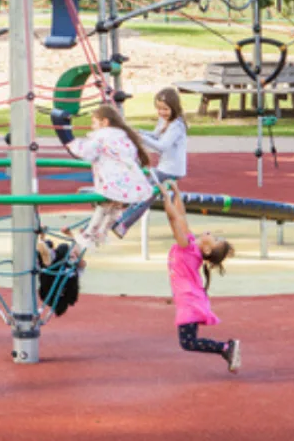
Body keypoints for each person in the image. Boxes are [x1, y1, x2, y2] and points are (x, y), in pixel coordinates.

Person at [161, 185, 240, 372]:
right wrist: (176, 195)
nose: (213, 234)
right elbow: (181, 216)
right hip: (190, 297)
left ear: (207, 249)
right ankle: (226, 349)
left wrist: (165, 198)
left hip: (189, 299)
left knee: (188, 342)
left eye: (216, 239)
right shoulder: (190, 245)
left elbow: (174, 220)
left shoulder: (186, 246)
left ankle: (226, 348)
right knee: (188, 341)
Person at [72, 104, 154, 250]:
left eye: (94, 122)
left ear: (105, 122)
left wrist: (70, 143)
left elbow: (85, 151)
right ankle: (102, 233)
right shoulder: (123, 136)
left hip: (114, 181)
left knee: (103, 206)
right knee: (115, 208)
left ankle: (89, 234)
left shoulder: (104, 135)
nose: (92, 127)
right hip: (130, 182)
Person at [114, 88, 191, 239]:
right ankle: (122, 219)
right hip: (164, 167)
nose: (162, 112)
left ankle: (123, 223)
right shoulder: (164, 121)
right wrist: (138, 132)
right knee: (143, 190)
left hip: (171, 169)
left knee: (145, 192)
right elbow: (155, 135)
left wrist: (140, 138)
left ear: (174, 108)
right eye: (159, 109)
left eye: (165, 109)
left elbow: (162, 145)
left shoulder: (177, 126)